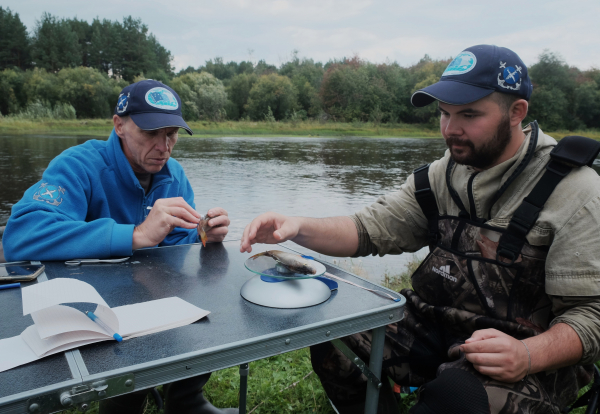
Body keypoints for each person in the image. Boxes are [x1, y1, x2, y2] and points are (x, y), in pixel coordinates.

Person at [240, 45, 600, 414]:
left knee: (454, 397)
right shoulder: (441, 175)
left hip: (526, 353)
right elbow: (368, 229)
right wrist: (295, 226)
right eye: (444, 114)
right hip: (435, 328)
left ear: (516, 112)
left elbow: (592, 316)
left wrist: (528, 354)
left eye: (469, 114)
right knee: (332, 329)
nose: (450, 129)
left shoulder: (575, 190)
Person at [3, 80, 236, 414]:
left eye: (171, 134)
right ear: (119, 125)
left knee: (205, 302)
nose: (164, 147)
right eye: (151, 133)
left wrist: (203, 236)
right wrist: (135, 235)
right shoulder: (78, 165)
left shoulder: (175, 175)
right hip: (89, 308)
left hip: (149, 295)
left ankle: (187, 401)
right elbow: (20, 236)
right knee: (123, 366)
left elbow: (175, 246)